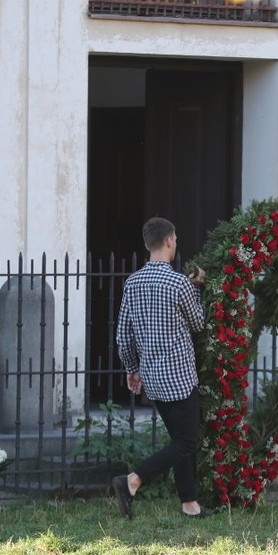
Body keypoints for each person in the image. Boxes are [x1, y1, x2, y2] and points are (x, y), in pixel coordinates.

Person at [112, 217, 208, 519]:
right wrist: (198, 289)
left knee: (180, 439)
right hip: (179, 376)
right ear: (169, 241)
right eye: (175, 238)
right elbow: (198, 323)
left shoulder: (133, 282)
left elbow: (123, 335)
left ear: (146, 244)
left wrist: (132, 368)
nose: (176, 242)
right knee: (188, 441)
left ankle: (189, 504)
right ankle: (132, 480)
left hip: (152, 376)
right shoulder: (179, 282)